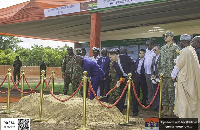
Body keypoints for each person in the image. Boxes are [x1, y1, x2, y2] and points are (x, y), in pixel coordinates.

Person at [171, 34, 200, 122]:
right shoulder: (192, 50)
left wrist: (172, 75)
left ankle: (184, 118)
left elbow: (178, 66)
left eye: (181, 41)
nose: (180, 43)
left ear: (184, 42)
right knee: (192, 101)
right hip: (192, 80)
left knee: (184, 102)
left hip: (185, 81)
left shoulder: (185, 51)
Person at [108, 49, 138, 116]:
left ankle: (135, 111)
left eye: (110, 57)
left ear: (115, 55)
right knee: (121, 94)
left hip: (132, 78)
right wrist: (118, 81)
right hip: (124, 80)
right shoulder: (115, 63)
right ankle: (120, 110)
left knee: (134, 95)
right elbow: (118, 74)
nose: (110, 59)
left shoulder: (124, 57)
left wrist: (130, 73)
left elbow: (133, 64)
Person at [158, 31, 180, 116]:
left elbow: (177, 61)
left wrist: (175, 74)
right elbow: (159, 61)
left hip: (171, 75)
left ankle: (171, 109)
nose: (165, 37)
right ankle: (165, 108)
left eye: (167, 36)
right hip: (163, 74)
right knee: (164, 92)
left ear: (172, 37)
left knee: (171, 92)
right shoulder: (163, 48)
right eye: (165, 36)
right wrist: (159, 71)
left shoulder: (175, 48)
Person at [144, 39, 155, 106]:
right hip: (146, 72)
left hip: (152, 73)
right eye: (147, 45)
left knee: (154, 88)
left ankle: (154, 102)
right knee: (149, 88)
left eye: (149, 45)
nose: (148, 46)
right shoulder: (146, 51)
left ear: (152, 44)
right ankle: (150, 102)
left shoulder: (154, 51)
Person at [150, 45, 161, 111]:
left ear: (159, 50)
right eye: (153, 50)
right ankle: (156, 105)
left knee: (160, 91)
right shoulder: (154, 57)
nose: (154, 51)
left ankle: (160, 106)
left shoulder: (162, 57)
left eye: (155, 50)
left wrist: (157, 75)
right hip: (154, 77)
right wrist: (152, 74)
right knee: (155, 91)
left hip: (160, 77)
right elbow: (152, 67)